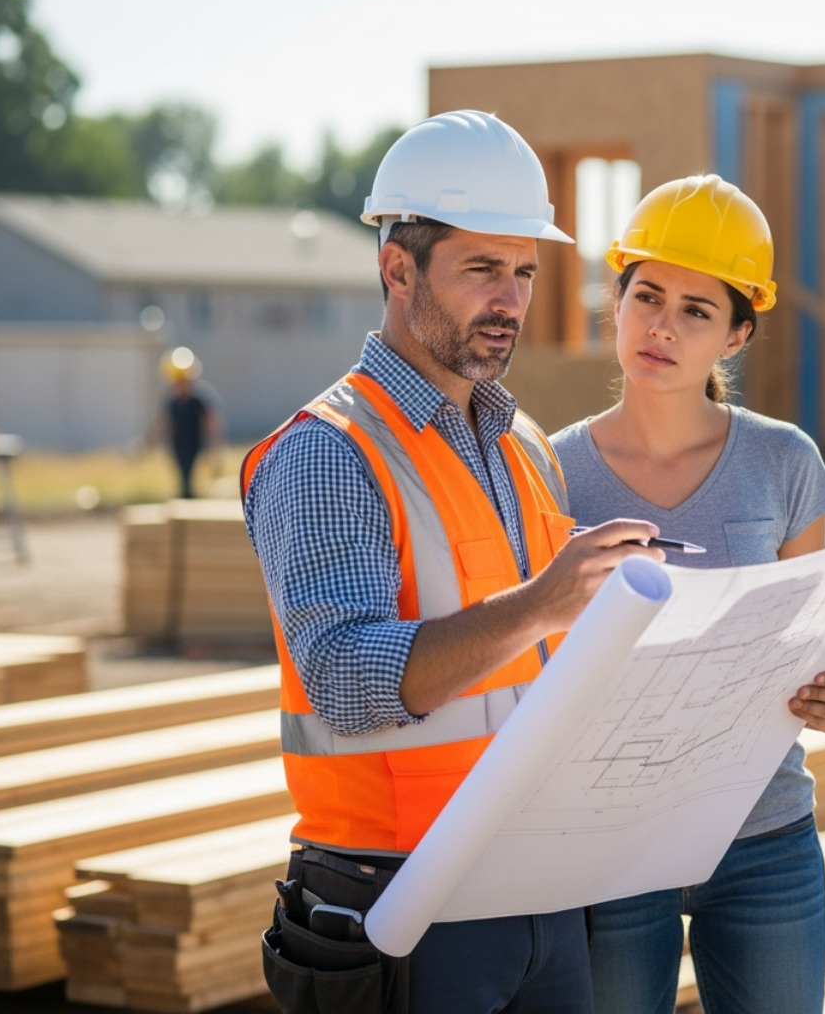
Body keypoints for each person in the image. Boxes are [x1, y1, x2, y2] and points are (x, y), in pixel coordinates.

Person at [241, 110, 662, 1014]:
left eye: (523, 272)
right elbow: (347, 685)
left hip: (539, 888)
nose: (508, 299)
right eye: (480, 269)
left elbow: (548, 670)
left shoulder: (525, 448)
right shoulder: (328, 452)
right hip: (400, 900)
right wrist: (541, 605)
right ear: (398, 268)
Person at [549, 174, 825, 1014]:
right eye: (646, 295)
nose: (662, 325)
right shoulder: (546, 473)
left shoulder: (785, 465)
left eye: (697, 309)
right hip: (608, 837)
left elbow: (811, 654)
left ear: (735, 335)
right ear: (614, 304)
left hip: (765, 838)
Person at [158, 347, 220, 498]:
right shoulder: (172, 402)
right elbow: (166, 423)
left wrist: (215, 449)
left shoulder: (197, 400)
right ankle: (185, 498)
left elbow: (211, 423)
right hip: (178, 446)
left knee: (189, 478)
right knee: (183, 479)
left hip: (193, 445)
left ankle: (188, 500)